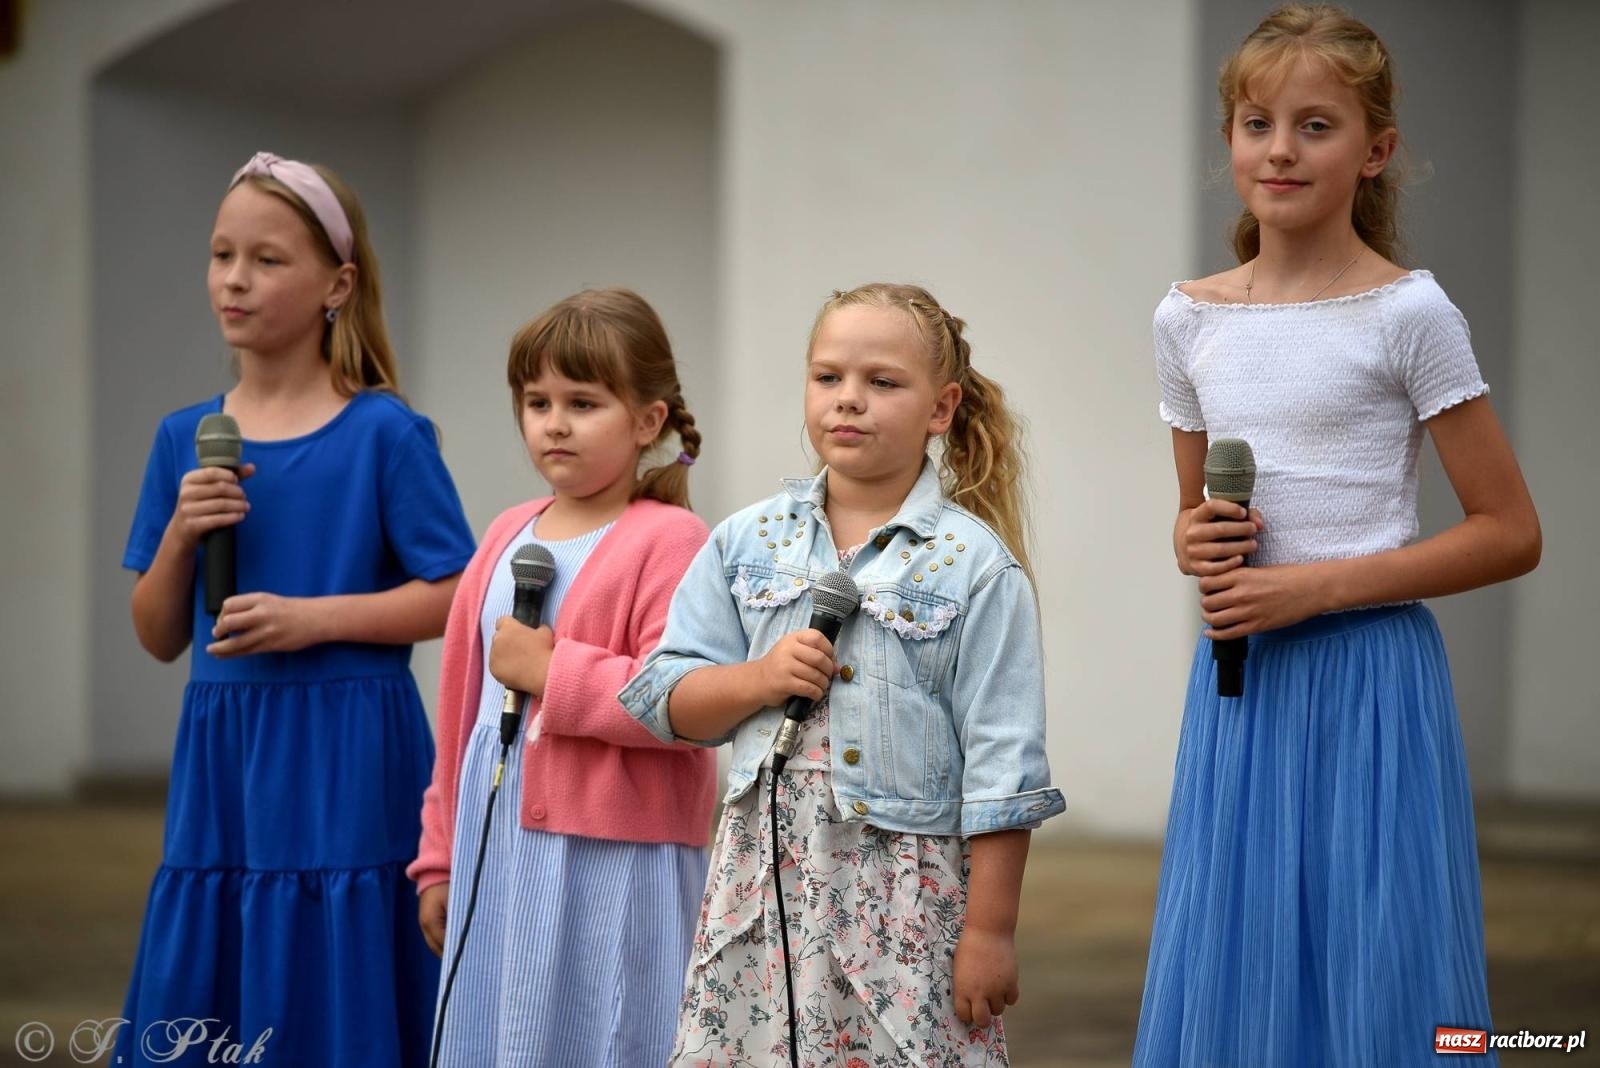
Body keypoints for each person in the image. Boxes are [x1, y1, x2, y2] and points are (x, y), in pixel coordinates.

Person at [1134, 8, 1542, 1065]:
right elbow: (1197, 522)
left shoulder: (1408, 315)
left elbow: (1509, 533)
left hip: (1369, 683)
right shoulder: (1187, 320)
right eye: (1256, 122)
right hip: (1240, 685)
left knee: (1385, 963)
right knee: (1238, 950)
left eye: (1315, 125)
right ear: (1227, 139)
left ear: (1376, 151)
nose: (1279, 149)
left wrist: (1311, 589)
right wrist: (1193, 546)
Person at [622, 282, 1065, 1067]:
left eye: (881, 382)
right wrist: (757, 680)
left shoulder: (975, 568)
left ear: (942, 407)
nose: (848, 400)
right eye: (828, 378)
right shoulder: (744, 542)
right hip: (761, 888)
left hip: (903, 899)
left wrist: (991, 932)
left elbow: (1006, 767)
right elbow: (664, 700)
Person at [118, 151, 476, 1067]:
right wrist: (179, 538)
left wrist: (314, 620)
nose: (234, 279)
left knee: (341, 953)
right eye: (221, 254)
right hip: (227, 751)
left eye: (267, 259)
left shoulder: (384, 432)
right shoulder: (182, 439)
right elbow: (160, 635)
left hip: (352, 746)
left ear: (337, 284)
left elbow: (454, 594)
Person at [410, 287, 716, 1066]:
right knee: (496, 1034)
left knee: (600, 1035)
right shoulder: (506, 531)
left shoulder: (671, 540)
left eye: (583, 402)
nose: (553, 422)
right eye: (536, 400)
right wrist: (439, 853)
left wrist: (552, 671)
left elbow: (679, 706)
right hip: (496, 841)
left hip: (613, 858)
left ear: (648, 421)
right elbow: (460, 712)